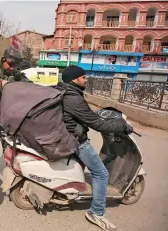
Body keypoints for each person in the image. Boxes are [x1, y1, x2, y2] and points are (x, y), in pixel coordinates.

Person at [56, 65, 133, 231]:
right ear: (74, 80)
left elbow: (87, 115)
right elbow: (98, 125)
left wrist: (101, 114)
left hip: (67, 135)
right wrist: (122, 124)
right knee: (101, 173)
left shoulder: (67, 92)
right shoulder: (74, 98)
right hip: (77, 141)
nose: (86, 79)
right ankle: (96, 212)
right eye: (83, 77)